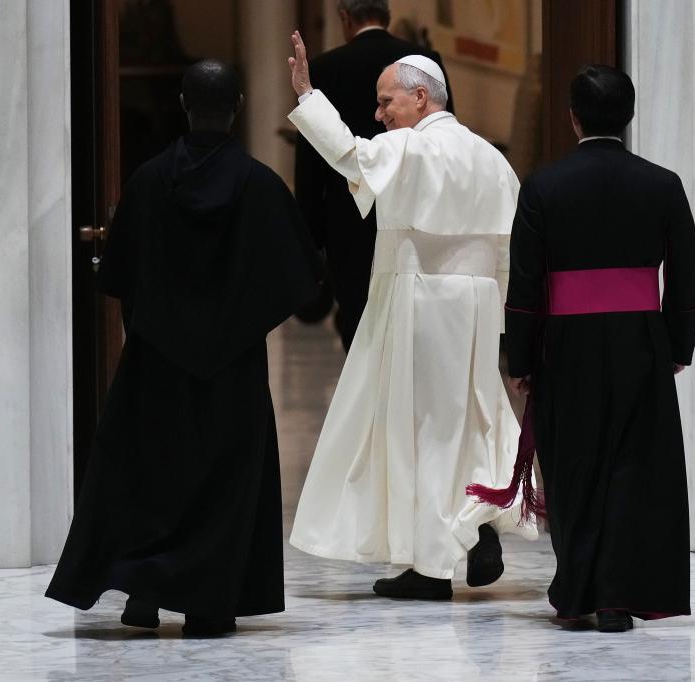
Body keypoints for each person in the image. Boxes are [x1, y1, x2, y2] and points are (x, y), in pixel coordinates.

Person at [45, 60, 321, 637]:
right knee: (226, 482)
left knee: (150, 473)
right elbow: (299, 277)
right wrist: (239, 322)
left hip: (156, 362)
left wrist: (156, 321)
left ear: (182, 104)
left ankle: (144, 592)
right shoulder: (260, 186)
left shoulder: (148, 182)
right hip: (232, 367)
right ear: (239, 106)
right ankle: (209, 604)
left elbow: (119, 274)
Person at [286, 32, 538, 601]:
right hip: (478, 307)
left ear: (420, 97)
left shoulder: (411, 147)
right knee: (473, 419)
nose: (379, 115)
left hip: (420, 300)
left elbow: (349, 155)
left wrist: (307, 96)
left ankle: (430, 566)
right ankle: (477, 523)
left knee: (419, 429)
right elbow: (510, 250)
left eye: (386, 102)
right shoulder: (491, 157)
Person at [468, 65, 695, 633]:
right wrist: (677, 345)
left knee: (574, 465)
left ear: (572, 117)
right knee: (633, 464)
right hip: (641, 341)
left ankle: (579, 590)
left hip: (566, 345)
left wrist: (522, 359)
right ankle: (619, 597)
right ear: (629, 115)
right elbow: (686, 278)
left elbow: (525, 285)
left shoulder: (544, 186)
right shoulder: (662, 184)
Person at [295, 0, 453, 352]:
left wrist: (310, 237)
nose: (380, 116)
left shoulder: (325, 68)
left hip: (348, 219)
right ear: (388, 15)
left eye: (386, 104)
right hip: (418, 216)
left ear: (344, 18)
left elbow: (319, 159)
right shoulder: (424, 61)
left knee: (359, 323)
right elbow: (441, 141)